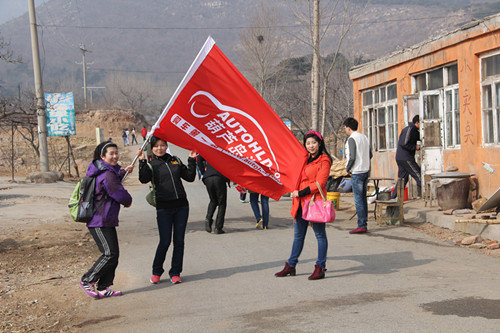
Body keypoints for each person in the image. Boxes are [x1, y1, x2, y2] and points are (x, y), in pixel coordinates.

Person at [138, 136, 197, 285]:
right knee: (165, 241)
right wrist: (142, 161)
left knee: (179, 241)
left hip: (182, 207)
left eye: (162, 145)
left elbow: (189, 177)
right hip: (164, 209)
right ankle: (156, 272)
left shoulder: (175, 160)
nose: (160, 148)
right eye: (156, 146)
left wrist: (191, 160)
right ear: (152, 148)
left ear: (166, 146)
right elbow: (143, 179)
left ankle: (175, 272)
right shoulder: (151, 165)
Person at [275, 130, 332, 280]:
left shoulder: (324, 160)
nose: (311, 146)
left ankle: (320, 267)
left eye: (314, 142)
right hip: (300, 203)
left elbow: (320, 183)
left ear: (319, 143)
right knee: (298, 236)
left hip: (315, 202)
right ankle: (291, 265)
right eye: (308, 143)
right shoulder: (303, 159)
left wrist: (301, 192)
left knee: (320, 235)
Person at [79, 141, 133, 298]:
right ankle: (87, 280)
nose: (115, 156)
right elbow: (118, 193)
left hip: (106, 219)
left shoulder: (108, 171)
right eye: (111, 153)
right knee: (109, 254)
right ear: (103, 156)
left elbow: (113, 179)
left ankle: (104, 287)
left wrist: (123, 172)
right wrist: (128, 200)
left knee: (113, 254)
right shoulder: (107, 174)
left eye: (116, 153)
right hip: (99, 220)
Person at [344, 117, 372, 234]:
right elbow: (370, 154)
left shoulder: (352, 139)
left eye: (345, 128)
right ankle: (363, 223)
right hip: (366, 170)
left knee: (358, 200)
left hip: (357, 172)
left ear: (348, 128)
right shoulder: (364, 137)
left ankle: (361, 225)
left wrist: (347, 168)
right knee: (363, 198)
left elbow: (352, 157)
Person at [197, 155, 229, 234]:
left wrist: (204, 173)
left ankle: (208, 218)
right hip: (219, 177)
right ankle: (218, 227)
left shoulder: (209, 146)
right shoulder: (225, 149)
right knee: (222, 203)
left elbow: (199, 160)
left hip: (208, 177)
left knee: (213, 200)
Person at [391, 115, 421, 199]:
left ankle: (394, 199)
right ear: (417, 123)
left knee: (402, 180)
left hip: (401, 157)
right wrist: (415, 147)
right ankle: (421, 195)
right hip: (405, 158)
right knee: (419, 174)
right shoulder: (410, 129)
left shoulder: (414, 130)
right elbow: (404, 143)